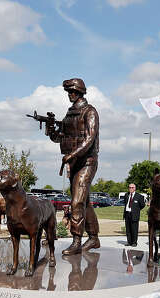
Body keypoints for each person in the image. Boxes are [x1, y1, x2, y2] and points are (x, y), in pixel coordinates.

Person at [46, 78, 100, 254]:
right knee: (84, 201)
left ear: (80, 93)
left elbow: (89, 139)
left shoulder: (90, 112)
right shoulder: (69, 115)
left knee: (76, 201)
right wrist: (50, 128)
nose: (70, 95)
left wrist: (72, 154)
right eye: (68, 92)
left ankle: (76, 241)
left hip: (87, 162)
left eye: (72, 92)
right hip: (74, 162)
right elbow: (58, 138)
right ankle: (93, 238)